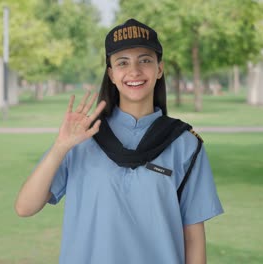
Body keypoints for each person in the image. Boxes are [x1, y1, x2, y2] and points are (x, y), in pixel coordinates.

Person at [15, 18, 223, 264]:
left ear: (159, 69)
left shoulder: (184, 144)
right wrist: (61, 147)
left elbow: (193, 236)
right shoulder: (82, 137)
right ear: (111, 74)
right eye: (122, 62)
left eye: (145, 60)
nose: (134, 71)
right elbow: (25, 208)